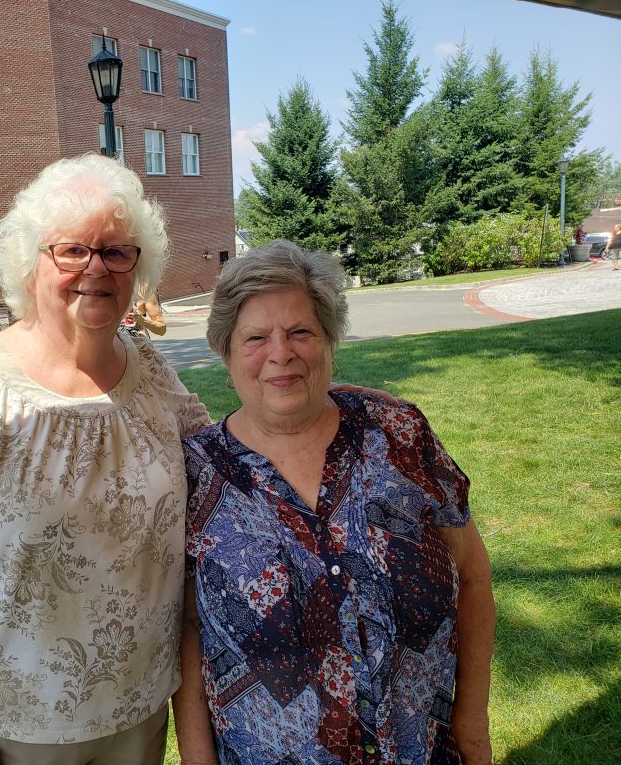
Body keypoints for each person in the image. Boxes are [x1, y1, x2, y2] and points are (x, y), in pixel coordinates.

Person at [0, 154, 211, 765]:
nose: (96, 269)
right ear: (30, 267)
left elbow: (228, 467)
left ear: (139, 267)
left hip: (143, 713)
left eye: (116, 251)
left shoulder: (155, 377)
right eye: (72, 251)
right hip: (17, 732)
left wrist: (330, 405)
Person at [173, 241, 496, 765]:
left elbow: (475, 576)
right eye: (256, 337)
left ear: (328, 340)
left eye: (300, 331)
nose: (281, 353)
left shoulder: (398, 433)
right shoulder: (195, 473)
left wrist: (472, 721)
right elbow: (189, 632)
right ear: (226, 351)